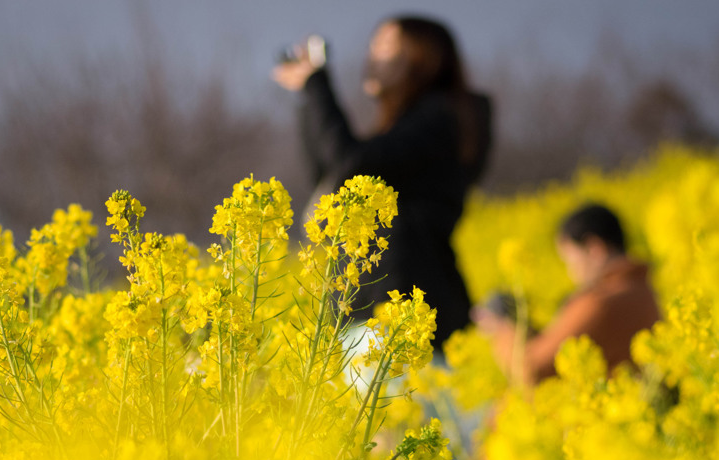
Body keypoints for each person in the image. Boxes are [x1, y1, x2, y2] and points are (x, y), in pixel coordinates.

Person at [272, 16, 493, 352]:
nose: (372, 57)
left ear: (423, 58)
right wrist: (309, 94)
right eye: (372, 46)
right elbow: (328, 176)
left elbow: (348, 164)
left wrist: (318, 84)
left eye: (387, 47)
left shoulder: (440, 118)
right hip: (371, 306)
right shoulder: (410, 128)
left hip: (399, 306)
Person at [475, 203, 661, 386]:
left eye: (569, 261)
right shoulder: (643, 289)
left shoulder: (600, 302)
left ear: (594, 248)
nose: (571, 274)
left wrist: (501, 327)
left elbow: (530, 370)